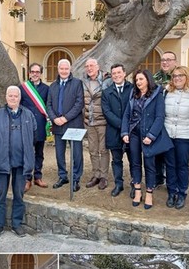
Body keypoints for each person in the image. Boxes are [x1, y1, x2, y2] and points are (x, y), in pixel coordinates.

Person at [0, 86, 36, 239]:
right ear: (6, 97)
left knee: (19, 195)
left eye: (15, 96)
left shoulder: (28, 115)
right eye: (10, 95)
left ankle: (17, 224)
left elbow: (33, 137)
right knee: (1, 195)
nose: (13, 98)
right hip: (1, 162)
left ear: (19, 98)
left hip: (21, 163)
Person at [121, 70, 173, 209]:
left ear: (148, 80)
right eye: (136, 79)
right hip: (134, 134)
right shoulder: (133, 94)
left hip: (148, 134)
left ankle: (149, 192)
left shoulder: (157, 95)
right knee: (135, 163)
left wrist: (151, 136)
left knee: (150, 165)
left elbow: (160, 117)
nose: (138, 82)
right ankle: (138, 190)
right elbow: (127, 115)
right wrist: (125, 132)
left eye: (141, 79)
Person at [163, 66, 189, 210]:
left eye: (181, 76)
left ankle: (182, 193)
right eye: (175, 76)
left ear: (187, 77)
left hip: (186, 134)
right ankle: (172, 192)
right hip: (168, 133)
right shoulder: (167, 92)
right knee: (170, 164)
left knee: (182, 164)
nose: (177, 78)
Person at [46, 59, 84, 191]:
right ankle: (63, 176)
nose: (63, 71)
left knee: (77, 154)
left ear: (70, 69)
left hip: (73, 124)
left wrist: (66, 118)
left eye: (66, 69)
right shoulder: (53, 86)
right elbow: (48, 105)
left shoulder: (77, 83)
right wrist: (54, 118)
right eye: (61, 69)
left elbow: (79, 104)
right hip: (58, 125)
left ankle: (76, 178)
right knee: (59, 153)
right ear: (58, 69)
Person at [102, 63, 134, 198]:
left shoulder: (133, 89)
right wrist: (122, 126)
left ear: (124, 73)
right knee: (116, 160)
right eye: (114, 73)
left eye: (119, 72)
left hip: (132, 132)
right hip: (114, 131)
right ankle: (118, 184)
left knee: (134, 160)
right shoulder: (106, 92)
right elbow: (107, 112)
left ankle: (135, 184)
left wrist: (127, 127)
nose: (116, 75)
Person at [82, 58, 112, 190]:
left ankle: (104, 177)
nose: (89, 68)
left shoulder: (107, 80)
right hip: (89, 121)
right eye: (87, 66)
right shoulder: (84, 82)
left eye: (92, 65)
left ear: (98, 66)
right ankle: (96, 175)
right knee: (93, 150)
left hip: (103, 122)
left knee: (103, 150)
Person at [19, 63, 50, 190]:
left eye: (37, 71)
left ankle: (38, 177)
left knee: (39, 153)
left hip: (41, 125)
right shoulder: (22, 88)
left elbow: (48, 106)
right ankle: (27, 178)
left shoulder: (46, 89)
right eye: (33, 71)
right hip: (26, 126)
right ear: (29, 73)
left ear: (41, 73)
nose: (35, 74)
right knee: (27, 153)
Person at [153, 50, 178, 186]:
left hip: (174, 122)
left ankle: (172, 183)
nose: (165, 62)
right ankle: (158, 178)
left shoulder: (180, 77)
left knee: (173, 156)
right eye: (163, 60)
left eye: (169, 59)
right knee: (157, 153)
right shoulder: (155, 77)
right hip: (157, 121)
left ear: (175, 62)